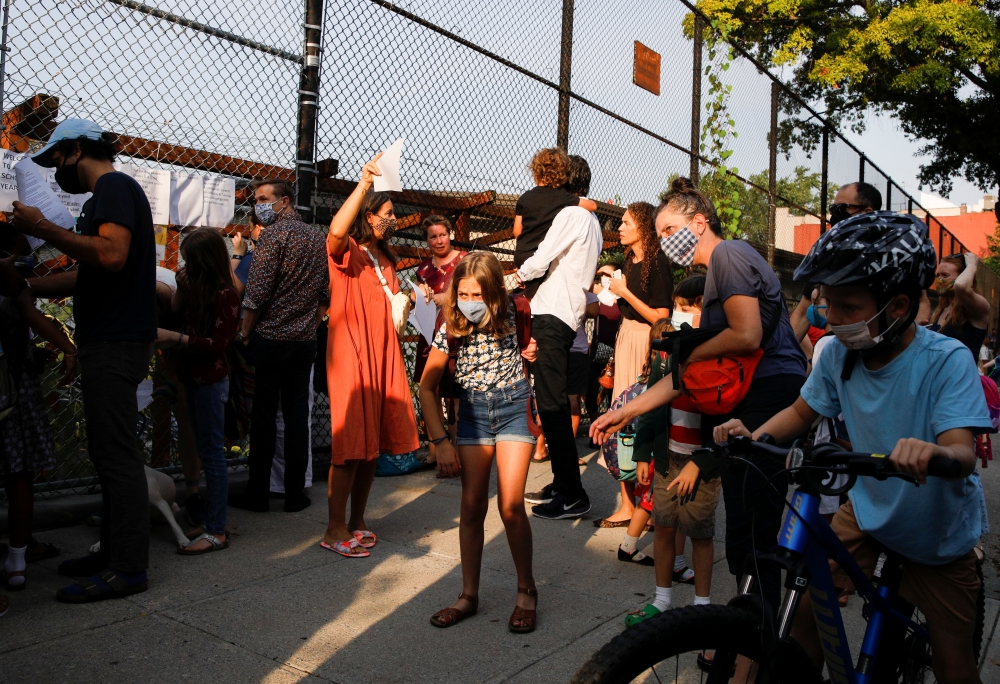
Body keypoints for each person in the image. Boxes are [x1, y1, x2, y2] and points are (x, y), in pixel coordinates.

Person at [716, 211, 988, 684]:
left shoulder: (947, 360)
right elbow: (802, 412)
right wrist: (755, 438)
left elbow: (961, 452)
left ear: (898, 306)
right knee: (805, 619)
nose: (830, 317)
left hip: (937, 531)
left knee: (954, 663)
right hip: (866, 512)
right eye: (826, 302)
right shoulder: (840, 355)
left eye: (845, 306)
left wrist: (932, 454)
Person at [590, 177, 807, 614]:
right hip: (748, 396)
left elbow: (746, 336)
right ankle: (753, 632)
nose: (665, 240)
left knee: (756, 533)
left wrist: (687, 347)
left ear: (700, 221)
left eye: (670, 230)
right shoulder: (714, 276)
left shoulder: (728, 254)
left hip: (766, 396)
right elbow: (691, 376)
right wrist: (625, 411)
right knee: (747, 535)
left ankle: (759, 640)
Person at [11, 119, 156, 602]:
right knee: (107, 451)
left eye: (54, 159)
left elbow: (111, 256)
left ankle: (128, 568)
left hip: (115, 343)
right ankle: (112, 551)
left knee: (116, 455)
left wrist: (41, 227)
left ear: (75, 150)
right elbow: (88, 275)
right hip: (112, 340)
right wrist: (26, 287)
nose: (53, 171)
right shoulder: (103, 200)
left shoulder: (113, 187)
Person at [421, 252, 539, 632]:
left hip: (512, 406)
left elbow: (528, 345)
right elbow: (426, 387)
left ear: (495, 294)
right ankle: (468, 595)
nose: (470, 303)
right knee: (471, 505)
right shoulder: (450, 324)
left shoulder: (515, 310)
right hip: (471, 414)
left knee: (510, 505)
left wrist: (531, 351)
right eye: (464, 294)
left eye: (478, 295)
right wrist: (440, 440)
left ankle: (526, 591)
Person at [323, 156, 419, 557]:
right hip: (351, 354)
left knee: (371, 444)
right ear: (369, 214)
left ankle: (358, 520)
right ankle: (334, 528)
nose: (393, 219)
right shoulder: (347, 251)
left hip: (382, 353)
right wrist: (362, 184)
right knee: (350, 444)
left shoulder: (385, 259)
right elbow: (334, 230)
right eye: (388, 213)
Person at [230, 179, 328, 513]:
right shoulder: (317, 236)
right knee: (298, 416)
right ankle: (295, 494)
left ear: (283, 201)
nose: (257, 206)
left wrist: (245, 330)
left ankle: (258, 492)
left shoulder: (272, 236)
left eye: (262, 199)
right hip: (303, 343)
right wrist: (311, 325)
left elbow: (256, 292)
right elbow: (325, 292)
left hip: (271, 339)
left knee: (265, 416)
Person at [518, 156, 603, 520]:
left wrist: (514, 278)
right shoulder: (593, 221)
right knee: (552, 400)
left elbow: (541, 258)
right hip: (569, 314)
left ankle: (573, 494)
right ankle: (561, 482)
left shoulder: (572, 216)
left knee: (551, 404)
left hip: (552, 312)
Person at [156, 228, 239, 554]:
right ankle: (213, 521)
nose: (187, 266)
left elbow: (217, 345)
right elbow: (175, 312)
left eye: (192, 261)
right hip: (191, 379)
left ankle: (217, 530)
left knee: (213, 456)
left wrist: (175, 339)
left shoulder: (225, 295)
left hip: (210, 381)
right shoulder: (198, 288)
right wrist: (180, 292)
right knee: (206, 452)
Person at [0, 231, 75, 591]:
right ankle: (17, 557)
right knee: (20, 476)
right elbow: (34, 318)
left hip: (12, 385)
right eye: (18, 259)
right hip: (15, 398)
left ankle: (18, 551)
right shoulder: (13, 294)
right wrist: (69, 349)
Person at [594, 201, 673, 527]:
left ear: (642, 226)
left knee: (646, 420)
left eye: (626, 222)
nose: (621, 228)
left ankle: (648, 506)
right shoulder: (627, 260)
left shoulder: (659, 264)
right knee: (620, 419)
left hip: (648, 341)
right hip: (625, 339)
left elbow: (661, 317)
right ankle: (628, 505)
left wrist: (625, 292)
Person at [413, 215, 466, 465]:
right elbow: (416, 299)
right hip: (429, 334)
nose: (438, 240)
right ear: (427, 240)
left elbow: (479, 292)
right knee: (430, 389)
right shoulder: (422, 269)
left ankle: (458, 449)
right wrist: (418, 295)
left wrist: (449, 298)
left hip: (458, 334)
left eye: (442, 234)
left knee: (455, 393)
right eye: (432, 236)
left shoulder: (464, 261)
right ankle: (436, 450)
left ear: (451, 233)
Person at [513, 148, 598, 298]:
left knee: (526, 296)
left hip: (521, 254)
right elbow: (592, 206)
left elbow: (517, 231)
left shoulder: (525, 198)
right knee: (534, 296)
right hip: (538, 258)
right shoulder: (562, 198)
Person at [927, 253, 991, 359]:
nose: (939, 280)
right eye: (938, 275)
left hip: (962, 374)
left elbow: (961, 286)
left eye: (945, 275)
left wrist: (972, 265)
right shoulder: (942, 309)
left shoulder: (977, 308)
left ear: (963, 276)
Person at [585, 262, 623, 426]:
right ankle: (597, 426)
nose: (604, 279)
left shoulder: (621, 299)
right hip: (599, 348)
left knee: (613, 393)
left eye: (608, 275)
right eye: (602, 276)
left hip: (618, 350)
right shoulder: (598, 296)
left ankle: (611, 430)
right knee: (590, 391)